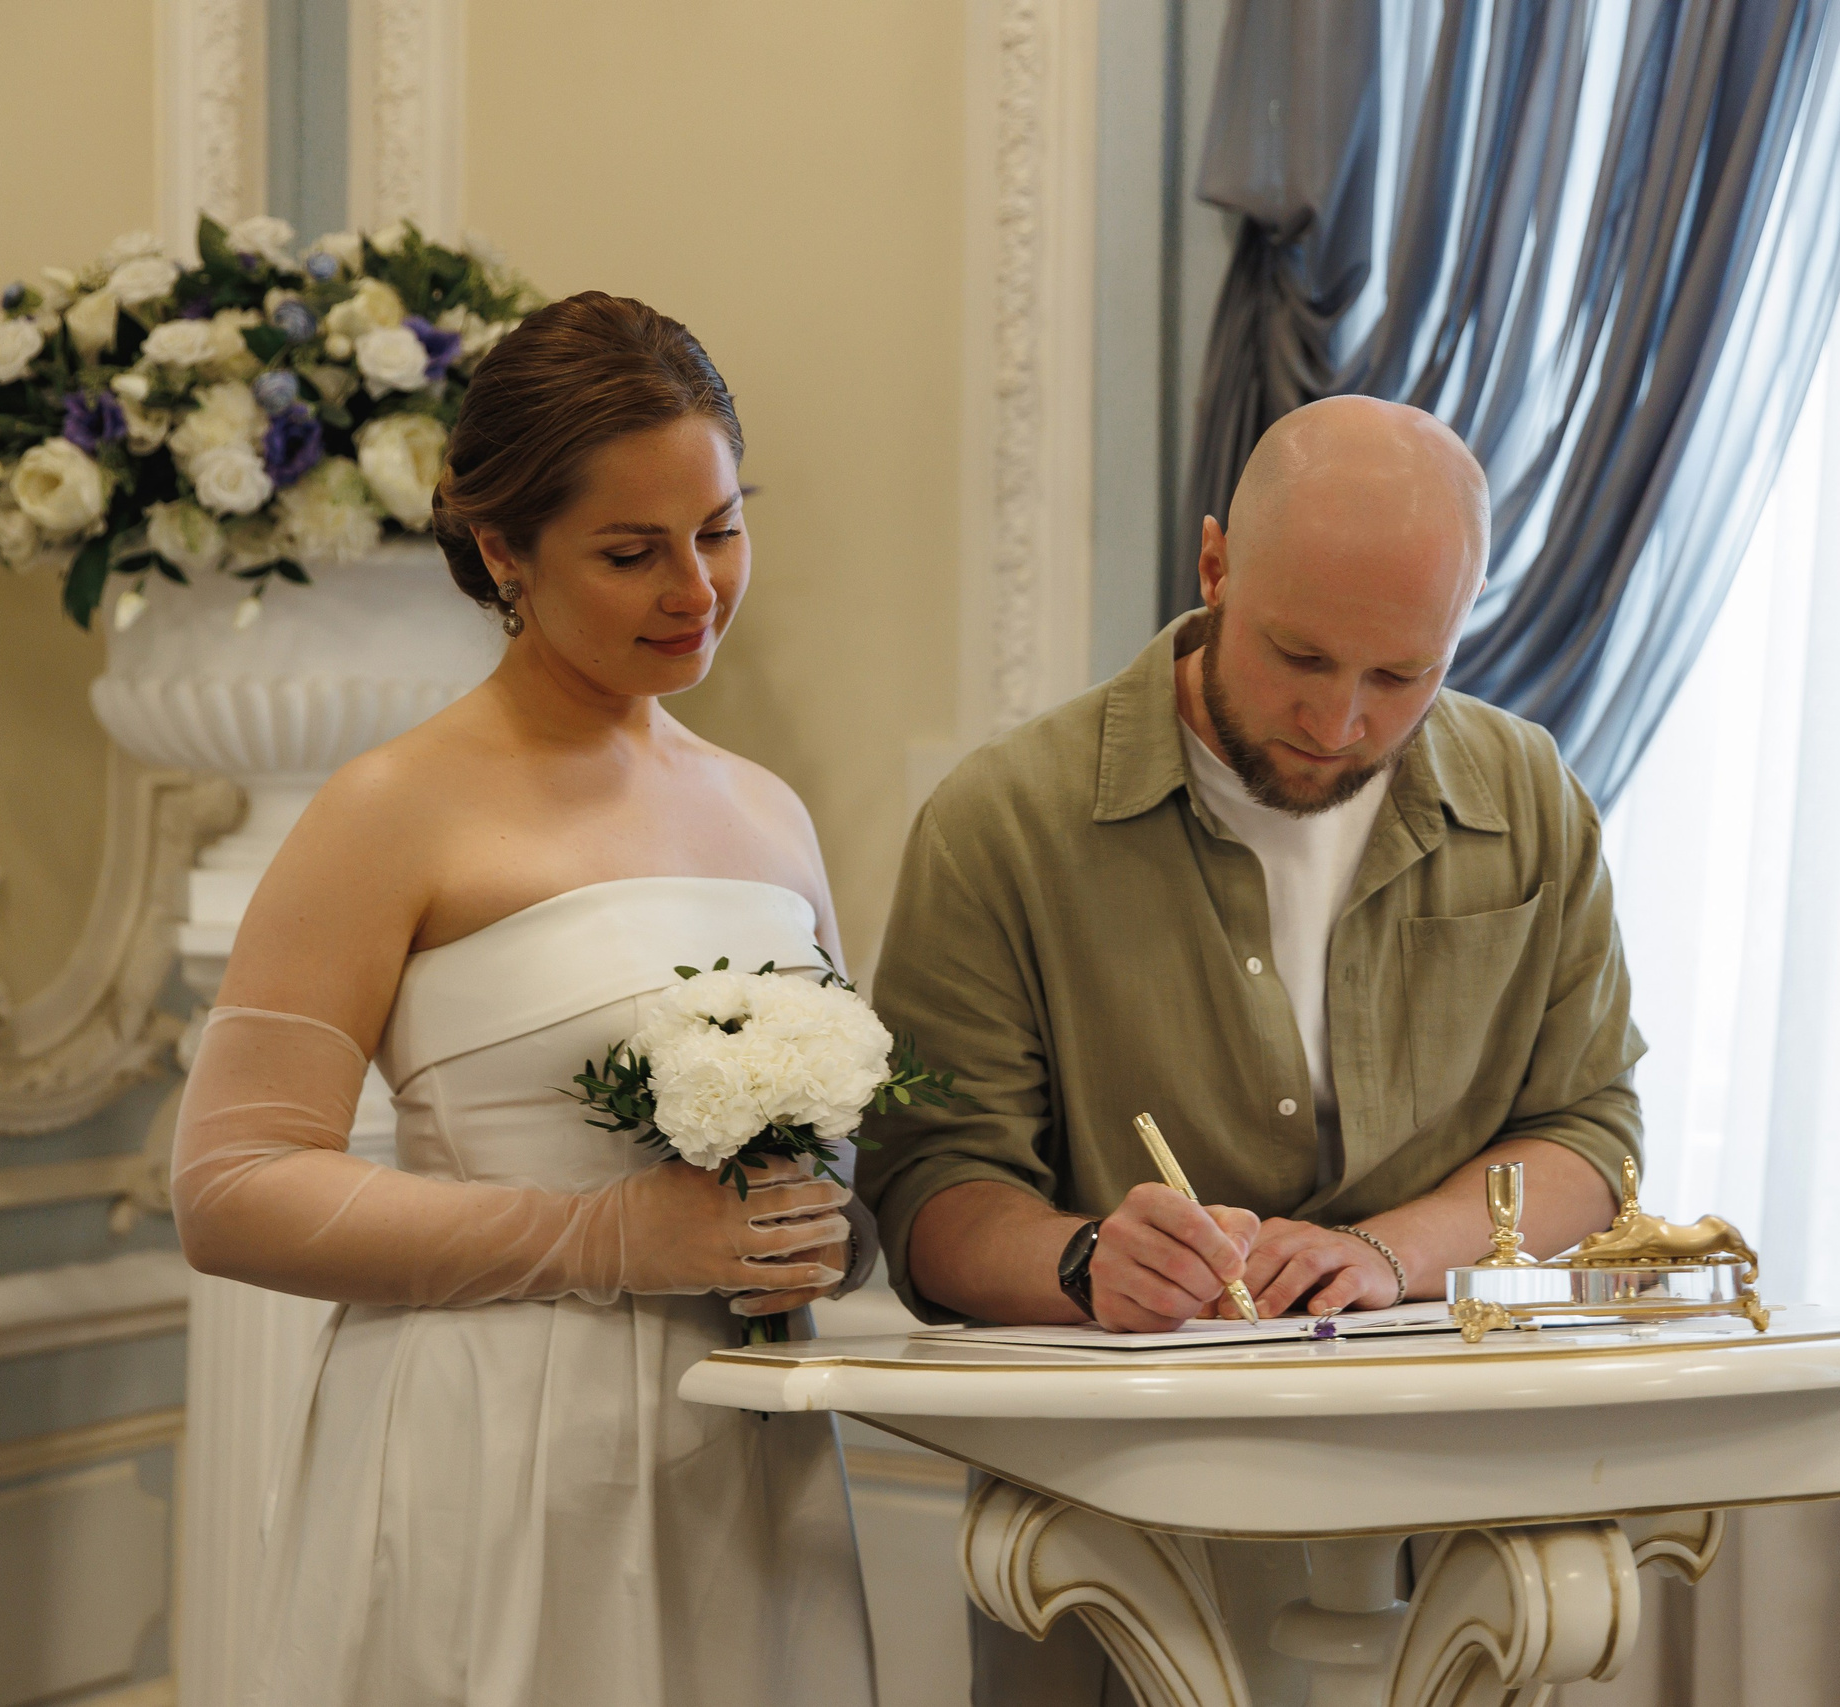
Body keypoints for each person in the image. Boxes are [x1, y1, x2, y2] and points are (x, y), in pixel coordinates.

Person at [861, 393, 1644, 1699]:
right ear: (1214, 565)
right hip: (1120, 1542)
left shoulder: (1532, 798)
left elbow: (1590, 1138)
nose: (1339, 722)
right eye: (1298, 656)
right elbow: (931, 1193)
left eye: (1402, 677)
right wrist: (1083, 1259)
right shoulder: (1003, 825)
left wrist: (1386, 1257)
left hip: (1457, 1531)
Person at [172, 292, 879, 1707]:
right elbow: (231, 1184)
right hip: (487, 1455)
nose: (697, 589)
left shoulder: (767, 810)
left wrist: (822, 1233)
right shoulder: (390, 811)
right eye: (632, 553)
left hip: (741, 1459)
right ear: (501, 548)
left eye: (721, 529)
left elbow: (843, 1150)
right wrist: (607, 1237)